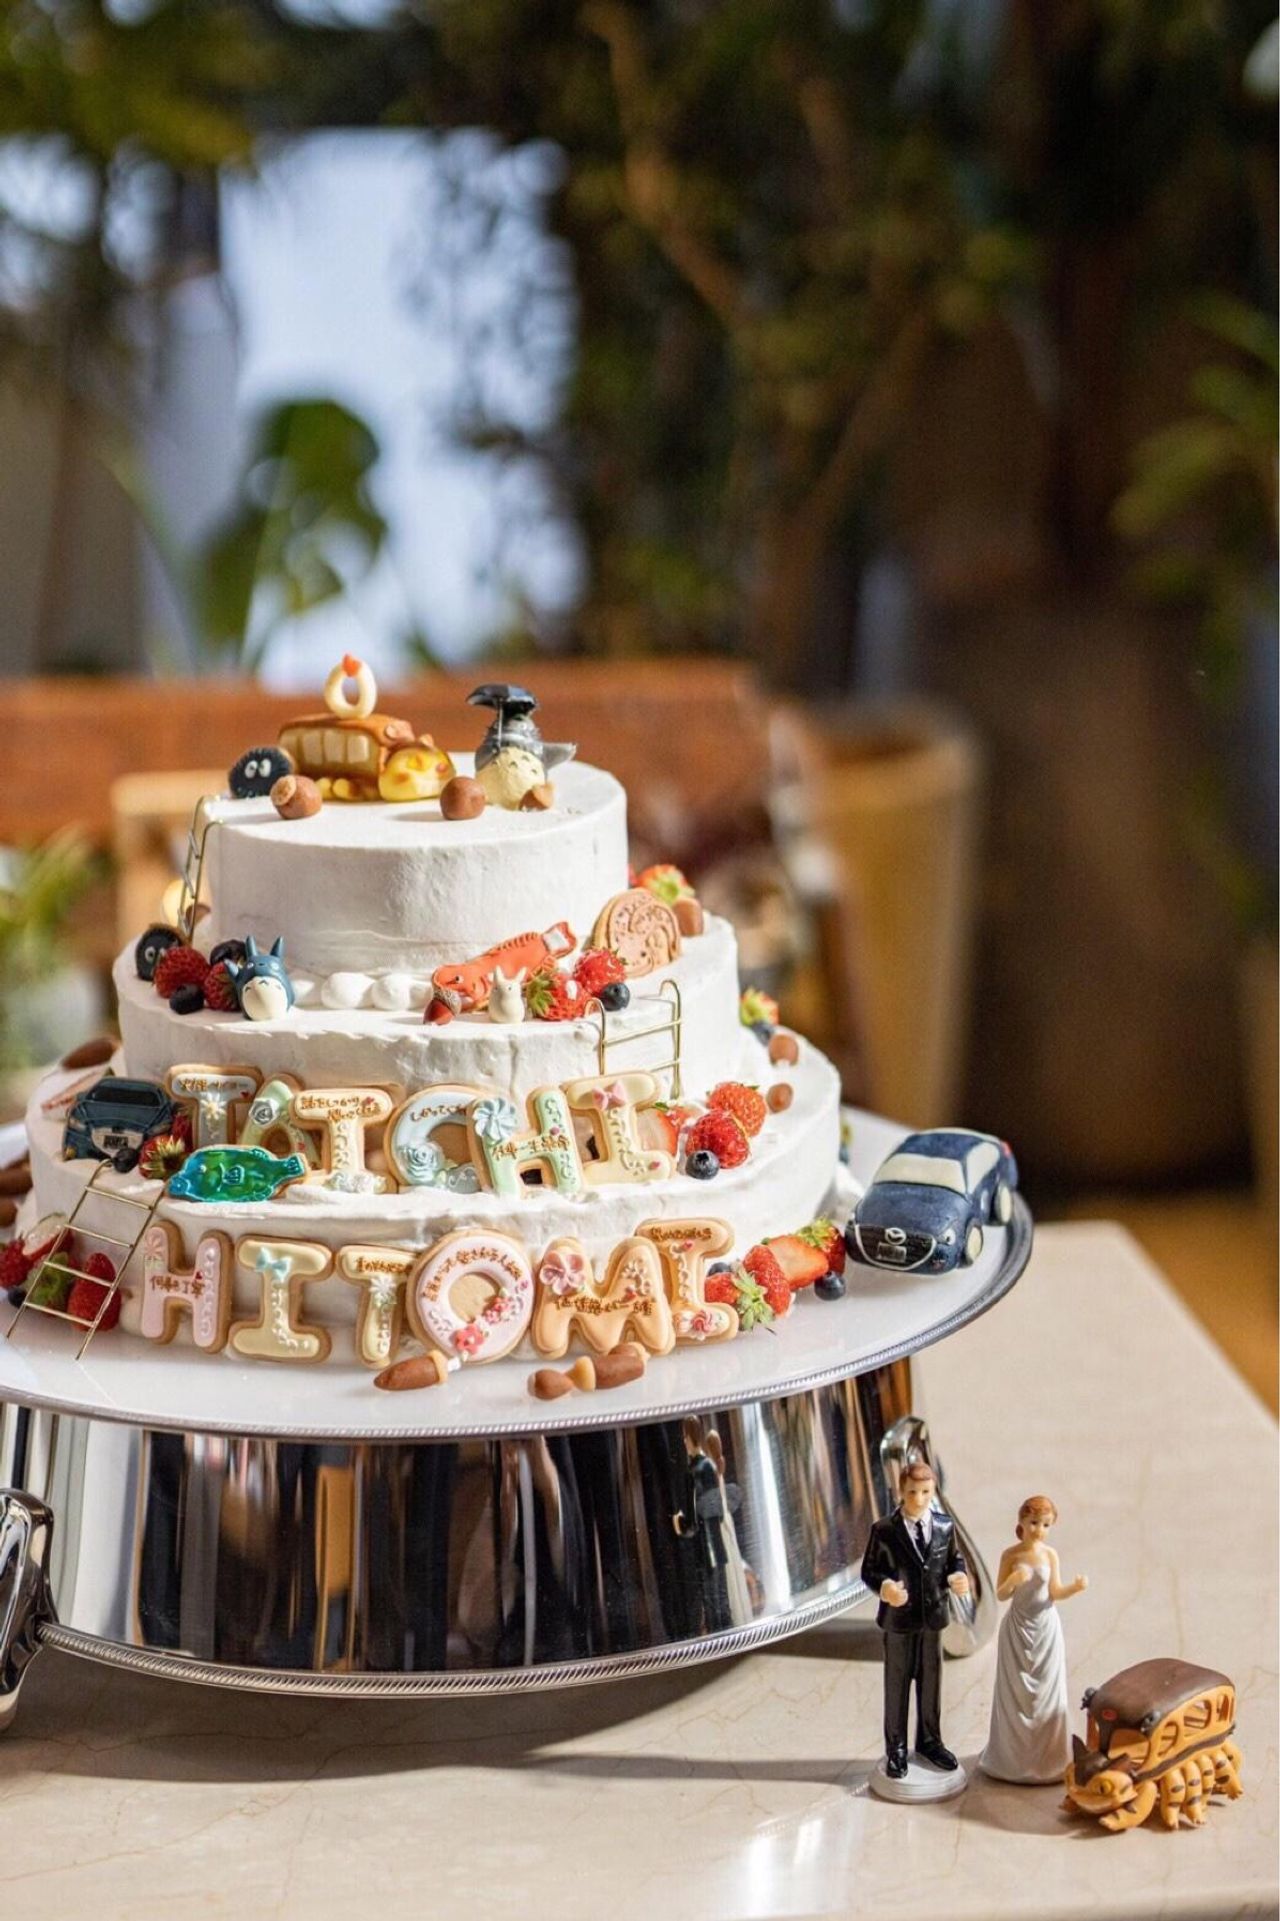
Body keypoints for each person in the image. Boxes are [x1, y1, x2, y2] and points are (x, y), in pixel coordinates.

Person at [861, 1460, 970, 1777]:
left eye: (925, 1492)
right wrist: (885, 1588)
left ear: (934, 1490)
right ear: (901, 1491)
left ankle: (930, 1741)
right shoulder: (884, 1530)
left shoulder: (945, 1526)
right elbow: (869, 1570)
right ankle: (896, 1748)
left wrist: (958, 1575)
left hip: (933, 1618)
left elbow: (954, 1559)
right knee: (897, 1686)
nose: (919, 1499)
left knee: (931, 1683)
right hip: (899, 1622)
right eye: (912, 1492)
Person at [981, 1494, 1087, 1784]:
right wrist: (1013, 1581)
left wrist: (1075, 1588)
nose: (1039, 1530)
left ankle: (1049, 1758)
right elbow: (1000, 1594)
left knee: (1046, 1691)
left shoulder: (1050, 1555)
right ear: (1022, 1522)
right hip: (1018, 1628)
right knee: (1017, 1692)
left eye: (1045, 1525)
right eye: (1034, 1523)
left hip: (1045, 1628)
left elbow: (1055, 1591)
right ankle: (1012, 1759)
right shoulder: (1010, 1555)